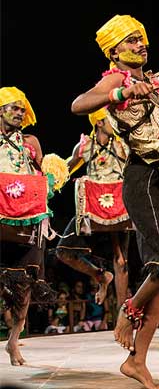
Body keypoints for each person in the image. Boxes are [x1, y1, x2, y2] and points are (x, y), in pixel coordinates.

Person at [71, 14, 159, 389]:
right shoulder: (119, 79)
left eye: (140, 39)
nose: (140, 45)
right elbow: (79, 104)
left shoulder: (157, 84)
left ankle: (137, 361)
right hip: (142, 179)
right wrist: (121, 93)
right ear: (115, 51)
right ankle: (128, 310)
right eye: (130, 41)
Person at [0, 87, 55, 365]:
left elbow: (40, 175)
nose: (19, 113)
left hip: (26, 218)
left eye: (22, 109)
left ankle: (13, 341)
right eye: (13, 108)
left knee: (25, 283)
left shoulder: (31, 141)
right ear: (1, 111)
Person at [56, 107, 130, 308]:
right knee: (63, 251)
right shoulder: (85, 146)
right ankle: (101, 276)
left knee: (121, 260)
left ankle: (124, 313)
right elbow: (66, 168)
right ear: (98, 122)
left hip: (118, 207)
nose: (114, 122)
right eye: (109, 119)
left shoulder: (123, 144)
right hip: (92, 207)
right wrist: (54, 169)